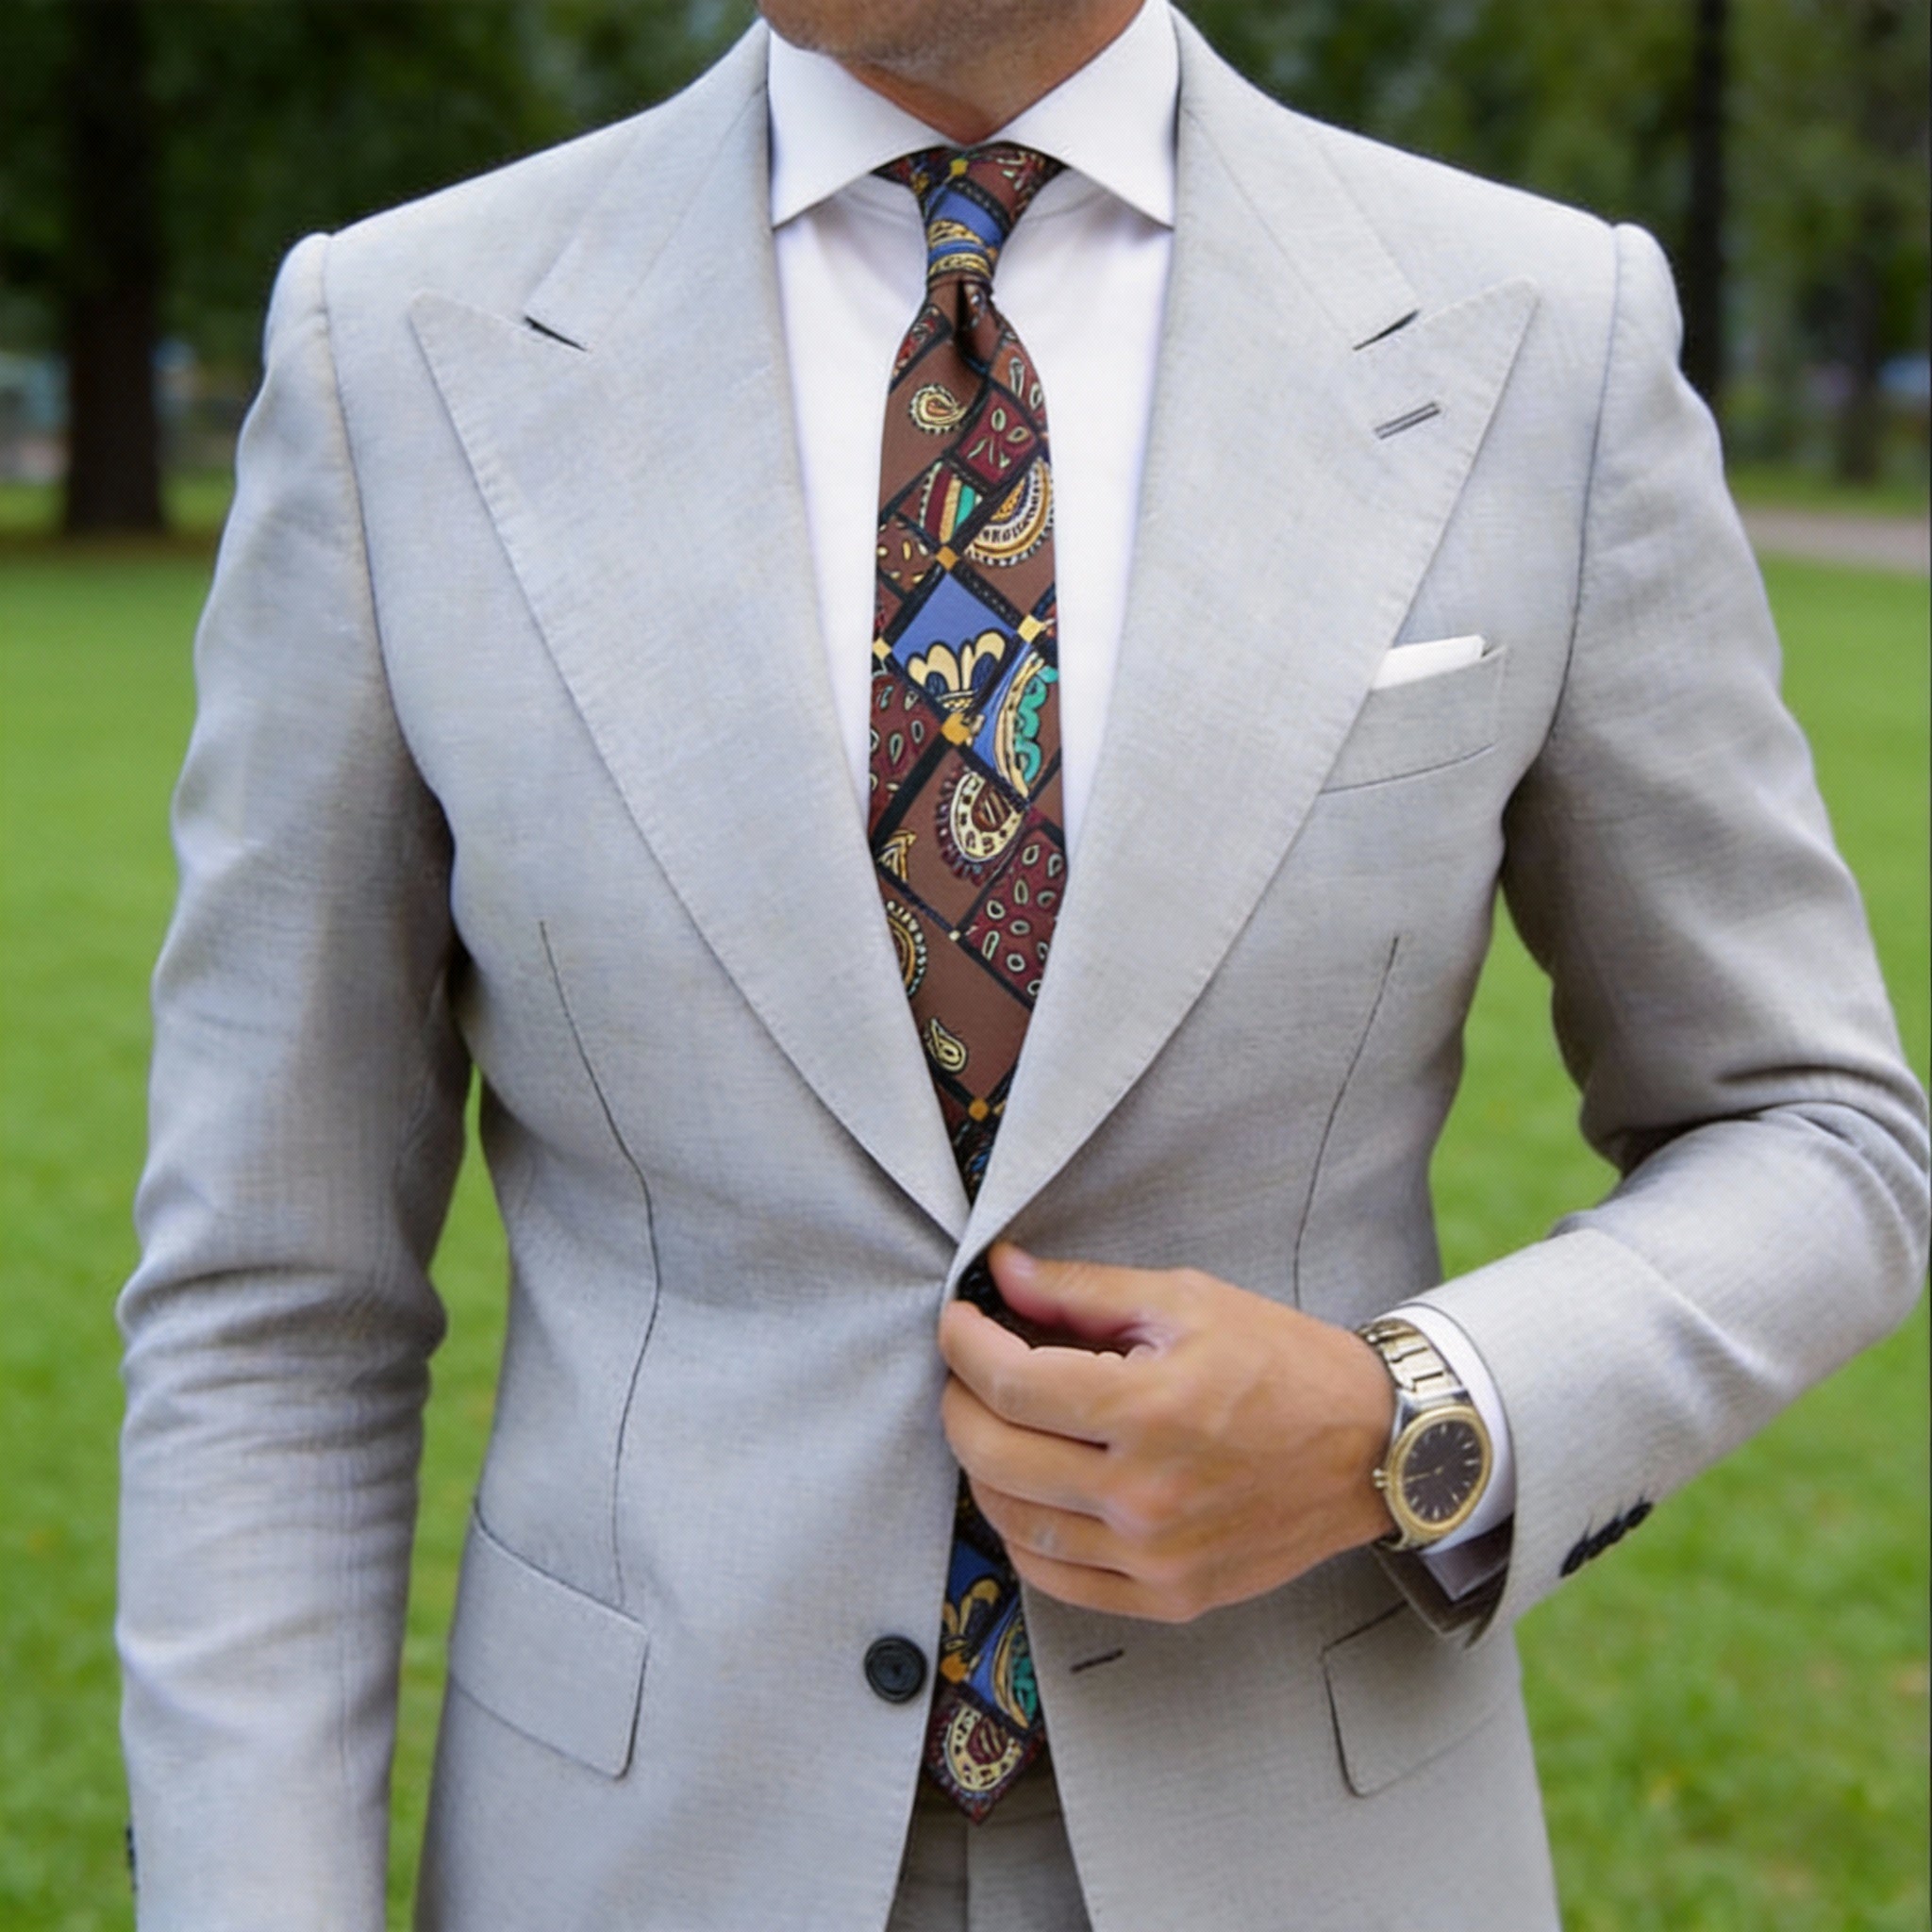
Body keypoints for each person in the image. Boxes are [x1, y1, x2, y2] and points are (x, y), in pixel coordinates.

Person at [115, 2, 1928, 1927]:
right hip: (636, 1858)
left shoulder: (1542, 333)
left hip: (1313, 1850)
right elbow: (270, 1302)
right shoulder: (397, 349)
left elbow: (1814, 1130)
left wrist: (1399, 1421)